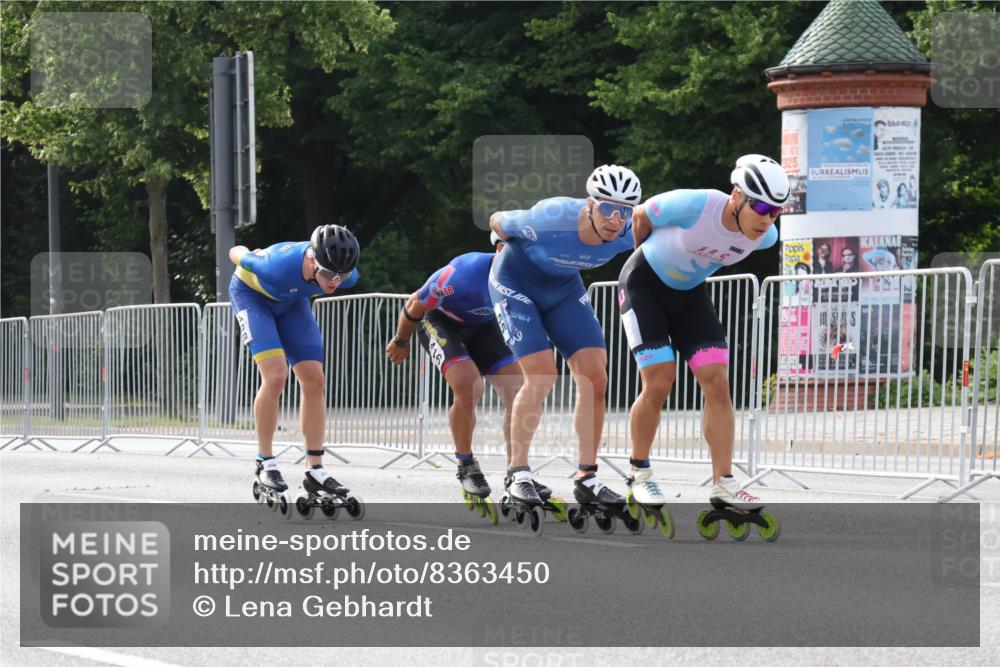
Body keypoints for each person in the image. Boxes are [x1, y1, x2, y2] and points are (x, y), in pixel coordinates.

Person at [619, 154, 788, 512]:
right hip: (643, 285)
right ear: (736, 196)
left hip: (689, 296)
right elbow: (640, 215)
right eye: (759, 205)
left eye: (776, 210)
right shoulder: (697, 204)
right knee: (661, 380)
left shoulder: (766, 236)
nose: (767, 218)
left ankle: (723, 483)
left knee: (717, 383)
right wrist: (645, 256)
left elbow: (762, 228)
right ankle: (639, 472)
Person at [487, 164, 641, 515]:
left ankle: (587, 477)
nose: (615, 219)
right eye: (607, 208)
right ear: (589, 204)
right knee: (542, 374)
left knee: (595, 375)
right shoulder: (550, 217)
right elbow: (498, 219)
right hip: (514, 283)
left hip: (562, 289)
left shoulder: (631, 232)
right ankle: (517, 472)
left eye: (625, 211)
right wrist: (499, 236)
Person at [228, 225, 360, 505]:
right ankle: (265, 462)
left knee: (315, 379)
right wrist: (250, 254)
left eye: (342, 275)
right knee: (276, 376)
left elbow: (339, 274)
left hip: (291, 303)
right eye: (328, 274)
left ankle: (315, 469)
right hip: (252, 297)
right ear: (312, 260)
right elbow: (235, 252)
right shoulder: (275, 266)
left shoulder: (343, 273)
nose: (335, 282)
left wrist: (336, 274)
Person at [385, 251, 522, 512]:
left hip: (484, 325)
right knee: (470, 387)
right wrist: (402, 340)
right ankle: (466, 464)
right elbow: (415, 304)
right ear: (500, 253)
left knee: (520, 391)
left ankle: (518, 471)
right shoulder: (459, 276)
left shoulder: (527, 275)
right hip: (440, 321)